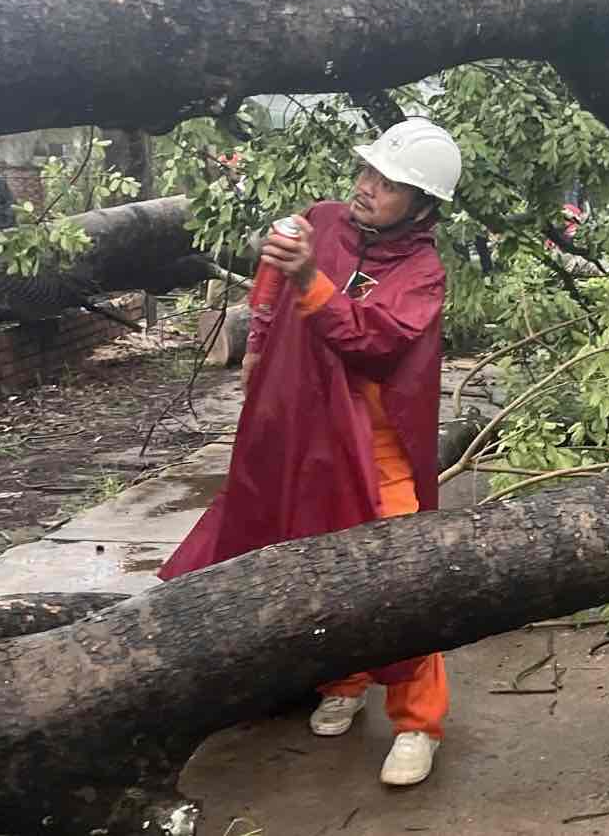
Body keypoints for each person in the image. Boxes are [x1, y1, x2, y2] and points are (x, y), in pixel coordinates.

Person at [157, 118, 462, 785]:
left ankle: (417, 722)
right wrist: (259, 337)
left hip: (375, 443)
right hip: (304, 431)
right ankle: (343, 680)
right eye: (368, 173)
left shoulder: (422, 273)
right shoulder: (321, 222)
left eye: (389, 183)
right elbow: (277, 257)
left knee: (401, 573)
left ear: (423, 203)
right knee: (312, 551)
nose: (368, 188)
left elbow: (373, 340)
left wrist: (309, 285)